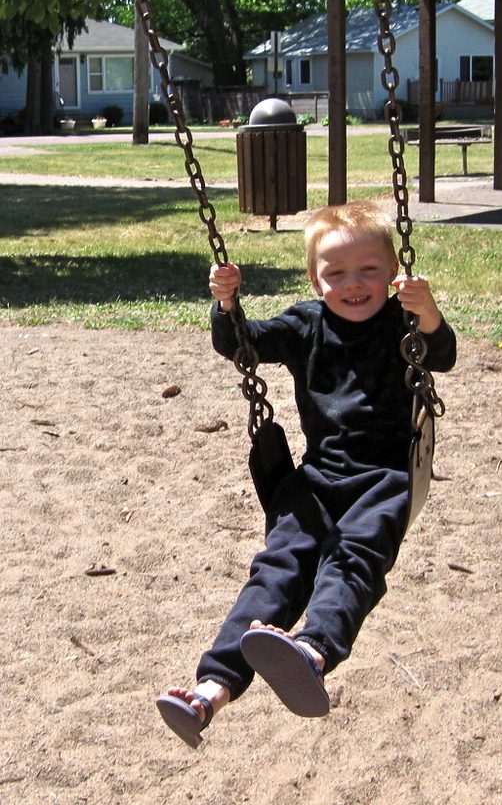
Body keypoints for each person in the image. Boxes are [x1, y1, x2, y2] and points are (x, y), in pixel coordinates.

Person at [156, 200, 456, 748]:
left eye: (368, 270)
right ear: (315, 281)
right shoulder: (304, 323)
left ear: (393, 273)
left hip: (385, 478)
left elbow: (442, 354)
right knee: (276, 569)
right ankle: (209, 690)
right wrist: (227, 304)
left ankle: (313, 651)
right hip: (316, 477)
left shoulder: (403, 321)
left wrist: (428, 311)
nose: (354, 284)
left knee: (353, 560)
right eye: (335, 273)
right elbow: (240, 344)